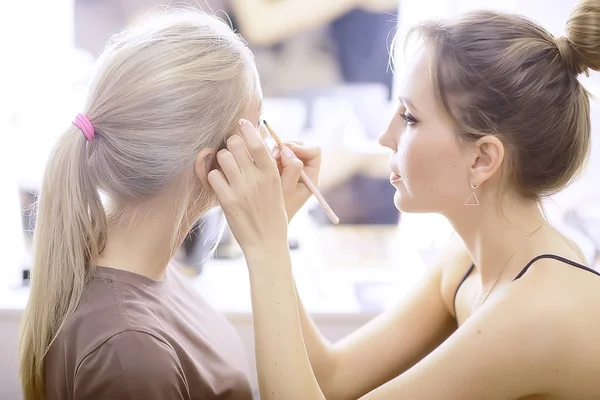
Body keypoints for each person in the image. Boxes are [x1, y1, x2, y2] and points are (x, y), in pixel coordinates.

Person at [209, 0, 600, 398]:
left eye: (410, 118)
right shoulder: (468, 260)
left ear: (483, 158)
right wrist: (276, 233)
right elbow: (332, 378)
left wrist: (266, 250)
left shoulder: (539, 313)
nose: (385, 137)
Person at [19, 11, 268, 400]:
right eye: (257, 130)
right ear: (208, 167)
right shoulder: (130, 355)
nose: (268, 151)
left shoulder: (154, 264)